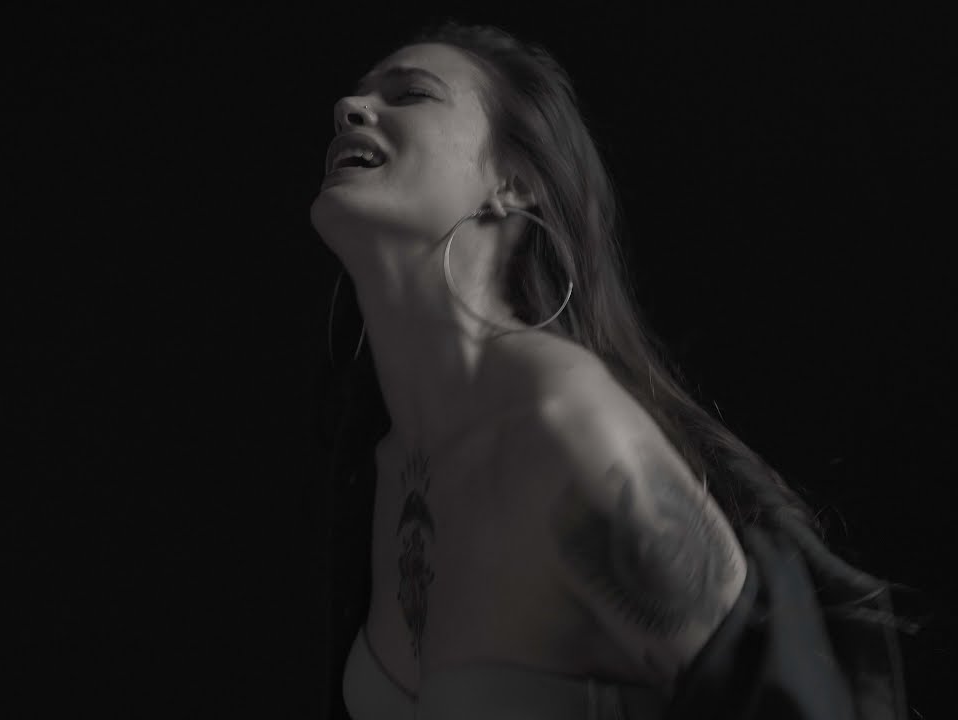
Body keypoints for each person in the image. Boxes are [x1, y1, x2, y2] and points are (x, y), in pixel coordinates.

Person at [307, 20, 915, 720]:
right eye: (357, 95)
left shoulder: (563, 425)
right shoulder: (375, 462)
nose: (350, 108)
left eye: (411, 93)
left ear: (513, 183)